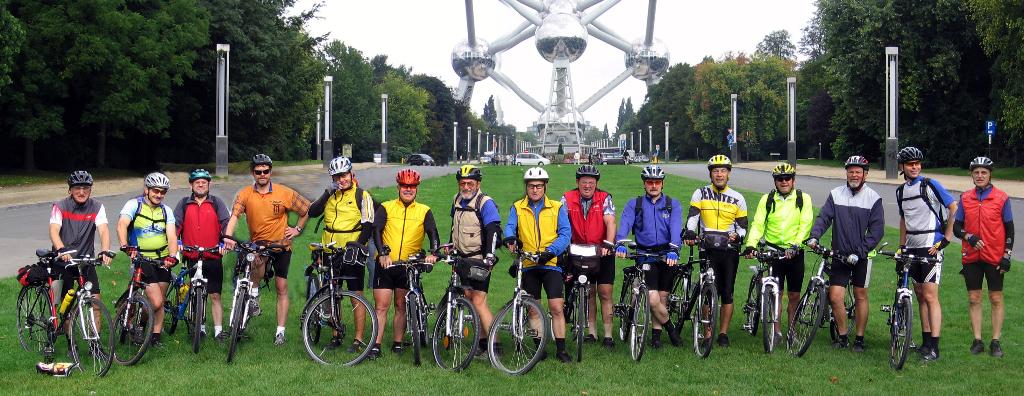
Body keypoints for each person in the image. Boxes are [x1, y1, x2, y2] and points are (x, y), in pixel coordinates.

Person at [222, 154, 310, 346]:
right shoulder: (245, 193)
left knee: (281, 288)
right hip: (259, 244)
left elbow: (306, 209)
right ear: (253, 173)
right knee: (256, 260)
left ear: (270, 172)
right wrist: (228, 237)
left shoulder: (284, 192)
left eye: (265, 171)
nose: (262, 174)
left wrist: (297, 229)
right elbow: (235, 216)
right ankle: (253, 296)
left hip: (281, 246)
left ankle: (280, 332)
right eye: (258, 171)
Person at [806, 155, 884, 352]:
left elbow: (876, 232)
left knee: (860, 295)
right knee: (835, 296)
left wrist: (860, 252)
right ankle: (842, 336)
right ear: (846, 173)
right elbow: (824, 217)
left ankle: (859, 338)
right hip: (839, 254)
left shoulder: (873, 198)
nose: (854, 175)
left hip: (862, 257)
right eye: (851, 171)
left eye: (858, 172)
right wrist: (814, 236)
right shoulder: (836, 194)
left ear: (865, 174)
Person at [503, 167, 573, 363]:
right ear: (526, 187)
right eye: (531, 186)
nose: (535, 190)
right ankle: (539, 347)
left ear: (545, 187)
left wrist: (550, 251)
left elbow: (566, 234)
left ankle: (561, 349)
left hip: (550, 263)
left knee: (556, 306)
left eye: (539, 186)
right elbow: (510, 226)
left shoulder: (557, 207)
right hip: (528, 263)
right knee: (534, 308)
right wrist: (510, 238)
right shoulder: (517, 207)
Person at [895, 146, 958, 361]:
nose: (915, 167)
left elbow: (954, 206)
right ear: (902, 167)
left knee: (931, 296)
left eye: (917, 163)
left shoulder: (930, 184)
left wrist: (947, 237)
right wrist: (901, 246)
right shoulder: (900, 191)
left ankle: (935, 347)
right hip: (911, 247)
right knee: (920, 295)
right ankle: (925, 341)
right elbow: (903, 220)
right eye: (910, 164)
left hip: (931, 245)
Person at [369, 169, 440, 359]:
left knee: (401, 305)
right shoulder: (386, 207)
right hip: (386, 264)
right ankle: (375, 345)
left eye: (412, 187)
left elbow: (433, 233)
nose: (408, 190)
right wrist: (383, 253)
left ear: (416, 189)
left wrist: (433, 253)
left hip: (408, 266)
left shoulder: (424, 210)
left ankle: (397, 343)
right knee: (381, 306)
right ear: (398, 187)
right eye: (404, 186)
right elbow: (376, 230)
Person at [308, 156, 375, 352]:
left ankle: (358, 339)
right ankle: (337, 334)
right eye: (336, 177)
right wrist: (327, 193)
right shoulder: (331, 195)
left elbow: (368, 225)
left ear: (351, 174)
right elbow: (312, 212)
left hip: (352, 252)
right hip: (330, 251)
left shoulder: (362, 195)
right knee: (332, 295)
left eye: (344, 175)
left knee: (356, 295)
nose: (341, 180)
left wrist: (357, 245)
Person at [742, 162, 814, 340]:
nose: (784, 182)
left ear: (793, 180)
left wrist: (796, 245)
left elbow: (806, 223)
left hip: (795, 252)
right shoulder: (767, 199)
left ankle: (792, 331)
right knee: (777, 293)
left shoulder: (803, 198)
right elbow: (758, 224)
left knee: (794, 294)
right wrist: (751, 244)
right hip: (774, 252)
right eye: (780, 179)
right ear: (775, 181)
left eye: (787, 178)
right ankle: (776, 331)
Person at [614, 165, 683, 349]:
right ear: (644, 184)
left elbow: (676, 228)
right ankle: (671, 328)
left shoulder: (672, 204)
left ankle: (656, 336)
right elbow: (625, 224)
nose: (654, 185)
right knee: (653, 299)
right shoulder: (634, 204)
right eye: (650, 182)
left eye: (657, 182)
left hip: (667, 254)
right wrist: (620, 243)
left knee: (662, 298)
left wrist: (674, 249)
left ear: (662, 184)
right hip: (646, 255)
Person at [683, 155, 748, 347]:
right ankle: (707, 332)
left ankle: (723, 333)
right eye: (715, 171)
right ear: (710, 174)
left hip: (728, 250)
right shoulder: (700, 193)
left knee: (727, 292)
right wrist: (689, 231)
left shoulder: (738, 198)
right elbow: (693, 217)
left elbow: (743, 226)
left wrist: (739, 236)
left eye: (723, 171)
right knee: (707, 291)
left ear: (729, 174)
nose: (719, 174)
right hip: (707, 248)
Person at [954, 156, 1012, 358]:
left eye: (984, 172)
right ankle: (977, 340)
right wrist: (968, 236)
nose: (980, 176)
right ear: (971, 175)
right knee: (974, 298)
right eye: (976, 172)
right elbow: (956, 227)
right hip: (971, 256)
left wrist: (1007, 255)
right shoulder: (965, 198)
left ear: (990, 175)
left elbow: (1010, 229)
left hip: (994, 255)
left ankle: (995, 341)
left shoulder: (1002, 198)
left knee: (996, 298)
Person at [116, 172, 179, 347]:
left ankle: (154, 336)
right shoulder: (133, 205)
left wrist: (172, 256)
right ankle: (141, 325)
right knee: (156, 301)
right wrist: (125, 245)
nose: (159, 195)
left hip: (162, 259)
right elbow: (122, 224)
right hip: (142, 259)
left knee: (160, 302)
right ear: (147, 190)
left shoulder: (167, 211)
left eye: (163, 192)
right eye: (156, 191)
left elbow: (172, 236)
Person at [560, 165, 618, 349]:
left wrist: (608, 244)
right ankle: (591, 332)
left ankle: (608, 334)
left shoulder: (604, 198)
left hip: (602, 250)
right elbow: (561, 222)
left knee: (605, 292)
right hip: (579, 250)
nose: (587, 186)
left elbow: (610, 222)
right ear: (577, 182)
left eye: (591, 182)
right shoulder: (567, 198)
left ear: (596, 184)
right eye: (583, 182)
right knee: (589, 292)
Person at [447, 165, 502, 356]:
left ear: (478, 184)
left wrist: (489, 257)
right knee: (468, 299)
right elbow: (454, 227)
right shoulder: (456, 200)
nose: (466, 186)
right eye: (463, 183)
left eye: (470, 183)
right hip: (460, 259)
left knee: (479, 301)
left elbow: (493, 230)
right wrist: (449, 247)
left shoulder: (485, 203)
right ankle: (482, 342)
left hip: (479, 259)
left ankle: (495, 345)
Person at [172, 169, 231, 340]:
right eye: (197, 182)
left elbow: (225, 224)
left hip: (213, 255)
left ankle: (219, 330)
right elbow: (176, 225)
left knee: (215, 295)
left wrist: (224, 242)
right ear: (191, 184)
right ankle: (201, 327)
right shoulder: (184, 204)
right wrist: (177, 242)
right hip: (191, 255)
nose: (200, 184)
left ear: (208, 184)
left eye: (204, 182)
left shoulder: (216, 203)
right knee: (195, 293)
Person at [49, 171, 114, 317]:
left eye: (86, 188)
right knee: (65, 307)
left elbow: (103, 230)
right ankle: (67, 335)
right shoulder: (60, 206)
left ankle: (95, 340)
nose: (81, 192)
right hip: (63, 261)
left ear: (90, 190)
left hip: (85, 261)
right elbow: (54, 230)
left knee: (95, 301)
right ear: (70, 190)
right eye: (77, 188)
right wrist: (61, 249)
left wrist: (105, 251)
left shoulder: (97, 207)